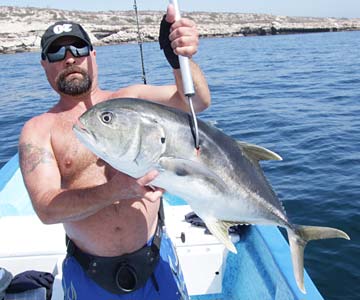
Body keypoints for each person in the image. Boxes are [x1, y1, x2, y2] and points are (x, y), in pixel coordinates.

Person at [18, 4, 210, 300]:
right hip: (90, 274)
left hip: (156, 259)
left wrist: (180, 59)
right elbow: (47, 208)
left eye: (78, 48)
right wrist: (118, 189)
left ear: (93, 55)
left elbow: (196, 102)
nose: (70, 58)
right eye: (56, 53)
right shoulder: (39, 130)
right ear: (44, 65)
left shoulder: (131, 99)